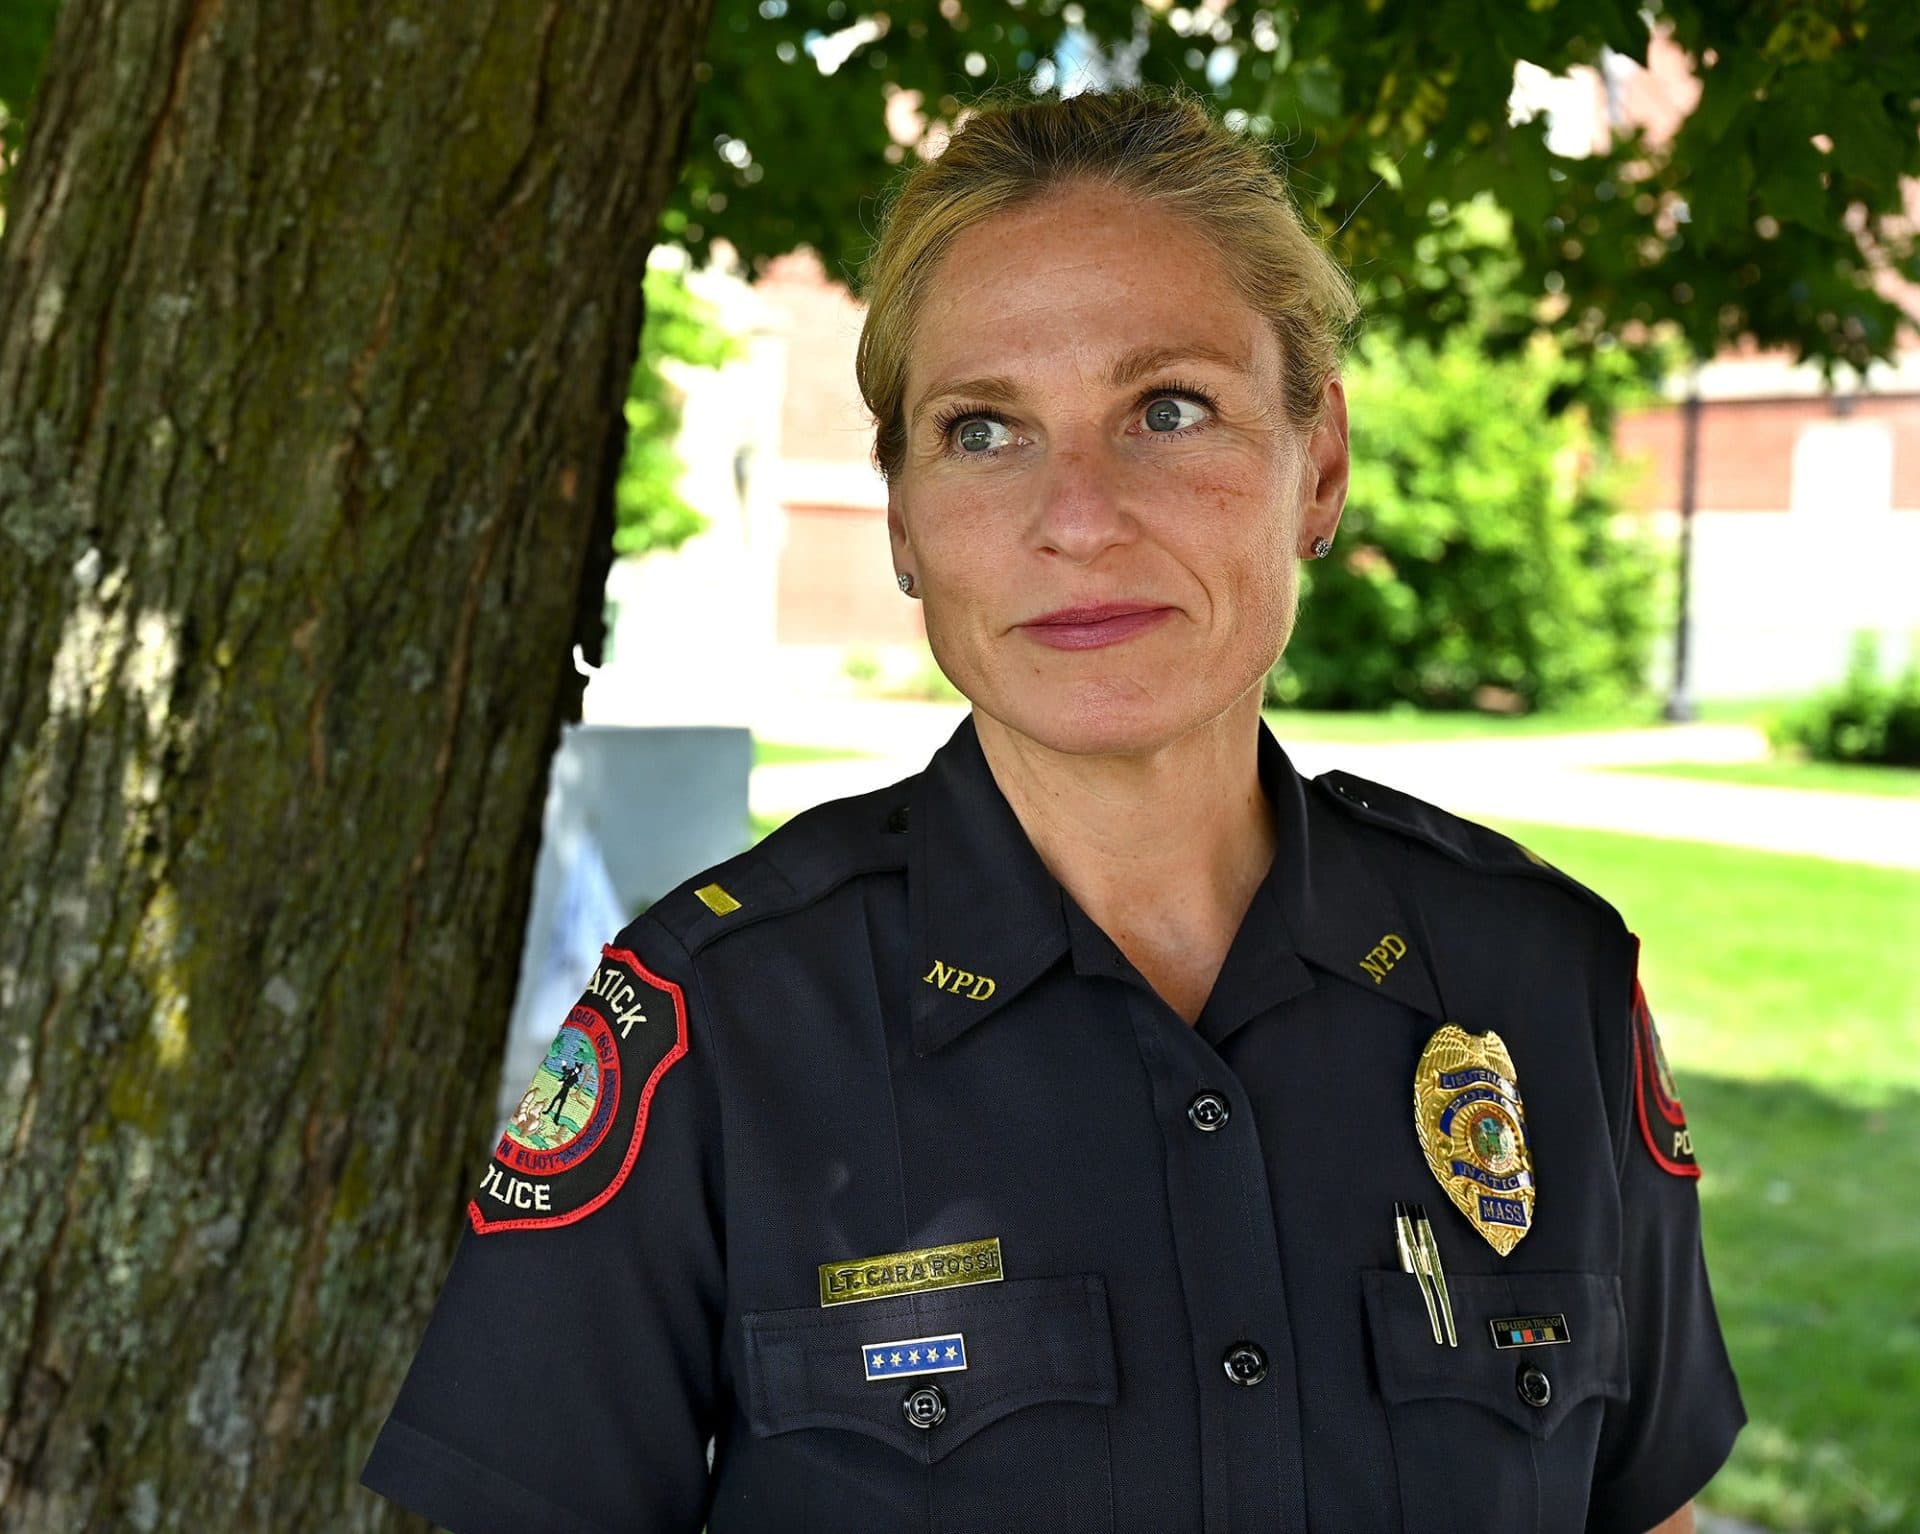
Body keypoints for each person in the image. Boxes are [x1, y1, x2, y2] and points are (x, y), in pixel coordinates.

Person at [360, 82, 1744, 1533]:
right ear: (900, 513)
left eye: (1169, 408)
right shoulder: (718, 1029)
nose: (1077, 515)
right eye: (982, 430)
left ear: (1317, 464)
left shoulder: (1542, 984)